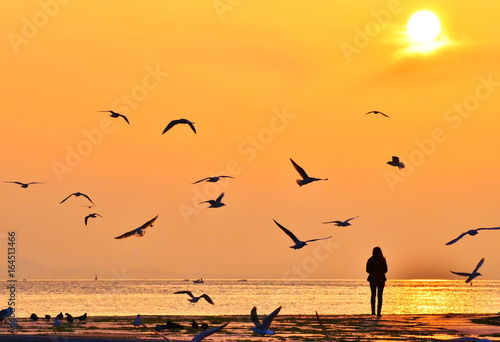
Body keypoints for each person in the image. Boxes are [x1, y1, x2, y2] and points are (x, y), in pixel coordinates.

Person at [366, 246, 388, 316]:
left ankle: (373, 311)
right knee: (380, 296)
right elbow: (385, 270)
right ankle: (379, 312)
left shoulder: (370, 260)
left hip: (373, 279)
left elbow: (367, 270)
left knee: (373, 295)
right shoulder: (383, 260)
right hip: (381, 279)